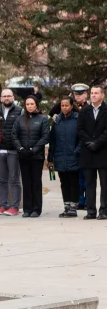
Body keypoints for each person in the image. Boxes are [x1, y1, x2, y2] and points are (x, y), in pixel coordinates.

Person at [12, 95, 50, 218]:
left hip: (36, 156)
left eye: (32, 104)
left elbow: (45, 136)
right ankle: (27, 209)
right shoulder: (20, 119)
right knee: (26, 182)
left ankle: (36, 208)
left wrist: (34, 150)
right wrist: (21, 149)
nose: (29, 106)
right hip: (23, 155)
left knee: (36, 182)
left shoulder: (43, 119)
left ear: (36, 105)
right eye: (27, 104)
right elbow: (14, 135)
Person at [78, 84, 107, 220]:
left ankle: (104, 211)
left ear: (102, 95)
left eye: (96, 93)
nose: (93, 95)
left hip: (103, 152)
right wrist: (90, 142)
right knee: (89, 183)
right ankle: (90, 211)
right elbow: (80, 129)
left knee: (104, 184)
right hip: (88, 152)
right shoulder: (85, 111)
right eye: (92, 93)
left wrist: (97, 143)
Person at [48, 97, 81, 217]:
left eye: (67, 105)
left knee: (74, 182)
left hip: (74, 156)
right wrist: (50, 158)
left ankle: (73, 207)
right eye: (62, 106)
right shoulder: (57, 121)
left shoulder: (78, 119)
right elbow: (52, 140)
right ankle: (66, 207)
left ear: (72, 106)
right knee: (64, 183)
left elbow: (82, 138)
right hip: (60, 156)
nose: (64, 108)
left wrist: (77, 151)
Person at [0, 89, 23, 216]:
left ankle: (15, 207)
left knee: (14, 180)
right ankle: (3, 205)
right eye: (4, 96)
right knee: (2, 180)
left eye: (8, 96)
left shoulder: (20, 111)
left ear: (13, 97)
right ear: (0, 98)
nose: (6, 98)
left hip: (13, 151)